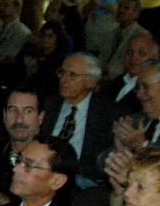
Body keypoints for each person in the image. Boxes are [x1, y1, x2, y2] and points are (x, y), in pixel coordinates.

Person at [41, 52, 113, 188]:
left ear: (91, 81)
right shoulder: (48, 105)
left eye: (72, 75)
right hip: (42, 171)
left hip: (81, 179)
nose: (63, 79)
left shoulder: (108, 113)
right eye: (62, 72)